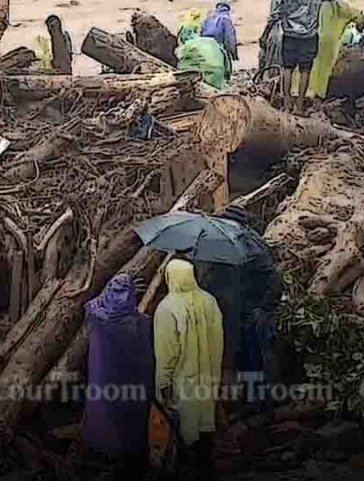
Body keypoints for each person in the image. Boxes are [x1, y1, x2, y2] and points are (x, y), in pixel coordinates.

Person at [154, 258, 224, 478]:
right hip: (209, 376)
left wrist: (163, 384)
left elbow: (166, 354)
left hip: (182, 381)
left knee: (183, 429)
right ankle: (206, 468)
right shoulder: (209, 301)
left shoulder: (166, 308)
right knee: (204, 425)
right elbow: (219, 340)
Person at [83, 274, 154, 480]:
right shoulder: (141, 323)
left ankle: (107, 458)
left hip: (104, 383)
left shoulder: (99, 319)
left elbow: (91, 304)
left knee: (107, 420)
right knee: (131, 426)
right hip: (133, 385)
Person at [214, 205, 281, 391]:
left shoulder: (250, 245)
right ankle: (249, 395)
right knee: (244, 356)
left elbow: (273, 277)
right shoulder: (236, 242)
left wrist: (265, 309)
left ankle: (260, 399)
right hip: (241, 312)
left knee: (256, 358)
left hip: (253, 313)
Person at [267, 0, 342, 112]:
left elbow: (275, 12)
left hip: (289, 34)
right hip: (309, 35)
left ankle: (287, 103)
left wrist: (266, 33)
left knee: (287, 68)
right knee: (305, 70)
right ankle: (299, 106)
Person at [305, 0, 364, 100]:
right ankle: (318, 95)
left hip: (311, 38)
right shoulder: (339, 5)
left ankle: (306, 93)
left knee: (310, 67)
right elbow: (358, 14)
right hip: (330, 42)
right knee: (325, 70)